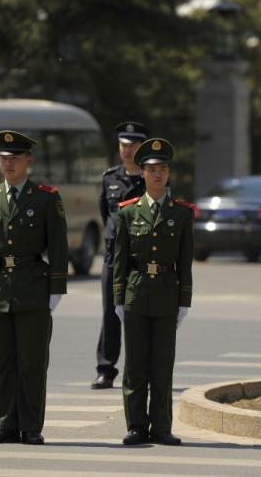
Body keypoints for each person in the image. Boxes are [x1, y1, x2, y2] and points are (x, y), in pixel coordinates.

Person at [0, 130, 68, 445]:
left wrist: (56, 289)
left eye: (14, 158)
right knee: (1, 364)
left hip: (33, 288)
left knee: (32, 363)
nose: (8, 164)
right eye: (3, 158)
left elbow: (59, 246)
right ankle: (6, 424)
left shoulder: (46, 197)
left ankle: (31, 427)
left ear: (28, 161)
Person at [113, 138, 194, 446]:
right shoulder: (127, 213)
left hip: (165, 295)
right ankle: (136, 426)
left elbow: (185, 262)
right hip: (136, 294)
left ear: (169, 174)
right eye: (152, 170)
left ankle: (161, 426)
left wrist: (184, 301)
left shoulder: (182, 214)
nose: (158, 175)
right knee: (135, 366)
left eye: (162, 169)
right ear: (142, 174)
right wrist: (119, 298)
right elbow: (120, 260)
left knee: (162, 365)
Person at [91, 121, 149, 390]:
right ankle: (106, 369)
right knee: (110, 314)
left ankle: (140, 369)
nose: (127, 151)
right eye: (124, 145)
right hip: (114, 258)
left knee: (138, 315)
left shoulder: (152, 177)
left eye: (133, 145)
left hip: (139, 258)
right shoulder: (110, 178)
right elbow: (107, 216)